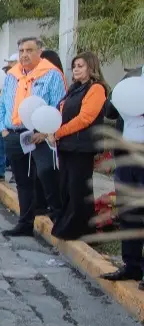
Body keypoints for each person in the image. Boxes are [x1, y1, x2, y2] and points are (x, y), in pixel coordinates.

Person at [0, 37, 66, 236]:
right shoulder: (12, 75)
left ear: (39, 52)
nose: (24, 55)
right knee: (23, 182)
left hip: (40, 134)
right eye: (21, 51)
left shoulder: (52, 74)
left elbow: (60, 105)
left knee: (47, 173)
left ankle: (59, 217)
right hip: (14, 134)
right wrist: (3, 129)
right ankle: (25, 224)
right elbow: (2, 103)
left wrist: (45, 132)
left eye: (29, 50)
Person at [40, 52, 107, 240]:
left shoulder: (96, 88)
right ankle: (69, 225)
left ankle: (79, 229)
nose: (76, 70)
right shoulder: (74, 89)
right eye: (74, 66)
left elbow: (85, 118)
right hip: (67, 146)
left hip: (81, 147)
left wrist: (59, 132)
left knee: (78, 189)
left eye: (80, 66)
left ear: (91, 67)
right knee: (66, 187)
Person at [102, 100, 144, 284]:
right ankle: (132, 266)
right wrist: (118, 94)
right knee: (128, 214)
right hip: (125, 158)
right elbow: (109, 112)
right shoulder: (129, 84)